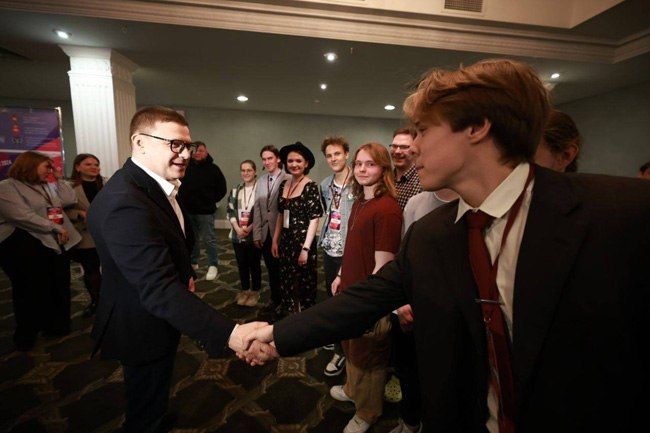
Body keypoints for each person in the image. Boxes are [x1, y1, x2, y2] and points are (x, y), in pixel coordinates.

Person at [241, 59, 650, 433]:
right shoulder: (431, 233)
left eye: (423, 130)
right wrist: (279, 332)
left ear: (477, 127)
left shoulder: (624, 213)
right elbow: (366, 297)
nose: (412, 146)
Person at [87, 106, 265, 433]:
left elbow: (172, 241)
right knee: (144, 397)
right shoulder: (125, 201)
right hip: (140, 320)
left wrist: (186, 274)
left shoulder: (156, 185)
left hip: (161, 314)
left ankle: (154, 416)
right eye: (174, 144)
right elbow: (157, 288)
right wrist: (232, 334)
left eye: (187, 145)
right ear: (139, 142)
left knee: (156, 385)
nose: (185, 154)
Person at [328, 142, 402, 433]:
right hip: (350, 290)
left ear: (383, 169)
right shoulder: (361, 202)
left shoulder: (387, 209)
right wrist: (341, 275)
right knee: (351, 349)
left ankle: (367, 412)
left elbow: (383, 266)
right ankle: (352, 390)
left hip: (367, 300)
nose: (361, 169)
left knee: (368, 359)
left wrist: (367, 305)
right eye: (358, 163)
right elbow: (353, 246)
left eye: (370, 164)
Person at [389, 188, 459, 433]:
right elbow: (403, 258)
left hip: (452, 314)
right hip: (412, 306)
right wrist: (400, 302)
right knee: (409, 371)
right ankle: (410, 421)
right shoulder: (416, 203)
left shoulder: (476, 203)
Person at [0, 151, 81, 351]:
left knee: (55, 285)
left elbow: (68, 199)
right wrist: (54, 227)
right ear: (30, 165)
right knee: (28, 289)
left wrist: (58, 179)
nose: (50, 170)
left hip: (50, 240)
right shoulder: (7, 187)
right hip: (20, 243)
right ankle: (26, 334)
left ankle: (55, 325)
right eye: (47, 166)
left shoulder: (46, 185)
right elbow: (20, 215)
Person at [272, 142, 323, 314]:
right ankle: (289, 310)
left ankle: (303, 316)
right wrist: (275, 240)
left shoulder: (311, 186)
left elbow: (314, 219)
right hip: (286, 241)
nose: (294, 164)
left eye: (298, 161)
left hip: (302, 242)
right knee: (286, 278)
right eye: (290, 161)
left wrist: (306, 249)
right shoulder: (283, 184)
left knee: (303, 280)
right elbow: (281, 214)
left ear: (306, 163)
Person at [318, 136, 354, 376]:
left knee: (346, 302)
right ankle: (337, 338)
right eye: (329, 155)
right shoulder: (325, 184)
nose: (333, 159)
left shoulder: (358, 182)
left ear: (347, 154)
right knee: (332, 298)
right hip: (330, 249)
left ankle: (342, 352)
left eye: (337, 154)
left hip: (350, 251)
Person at [177, 141, 226, 281]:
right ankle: (193, 262)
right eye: (195, 151)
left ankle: (213, 264)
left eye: (201, 150)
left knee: (209, 239)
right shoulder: (185, 167)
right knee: (191, 238)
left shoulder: (214, 169)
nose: (198, 153)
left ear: (206, 152)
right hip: (188, 210)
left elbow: (222, 189)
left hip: (205, 211)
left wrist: (210, 201)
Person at [66, 153, 105, 317]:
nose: (94, 167)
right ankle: (96, 301)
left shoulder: (107, 184)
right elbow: (61, 209)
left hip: (107, 234)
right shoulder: (69, 187)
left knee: (112, 269)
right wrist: (79, 214)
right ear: (77, 167)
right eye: (88, 164)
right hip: (85, 234)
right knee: (91, 270)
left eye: (96, 164)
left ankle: (112, 301)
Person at [253, 145, 289, 317]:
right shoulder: (260, 180)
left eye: (270, 158)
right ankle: (275, 299)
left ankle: (286, 301)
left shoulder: (288, 178)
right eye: (264, 159)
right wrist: (256, 233)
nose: (267, 162)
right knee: (271, 269)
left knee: (284, 269)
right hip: (265, 232)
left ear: (278, 159)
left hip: (282, 233)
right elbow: (257, 208)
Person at [227, 159, 262, 307]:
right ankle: (245, 290)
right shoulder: (236, 190)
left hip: (254, 233)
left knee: (254, 264)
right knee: (242, 264)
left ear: (255, 171)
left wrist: (250, 228)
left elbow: (262, 213)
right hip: (238, 233)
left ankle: (255, 292)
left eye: (249, 170)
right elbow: (230, 211)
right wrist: (237, 228)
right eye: (243, 170)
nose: (246, 173)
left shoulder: (260, 190)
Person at [391, 127, 421, 210]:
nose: (397, 151)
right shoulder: (386, 178)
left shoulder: (421, 183)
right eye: (394, 146)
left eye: (404, 147)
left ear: (415, 149)